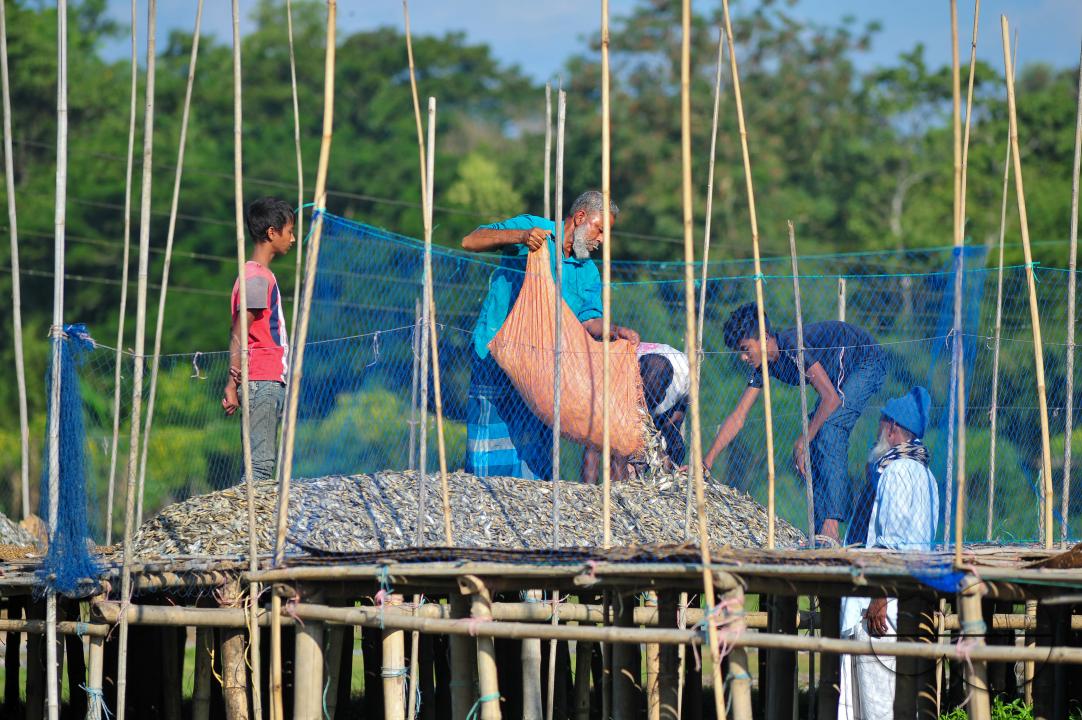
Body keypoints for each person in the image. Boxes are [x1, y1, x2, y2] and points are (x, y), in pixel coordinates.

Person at [460, 190, 639, 480]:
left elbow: (589, 320)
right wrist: (521, 237)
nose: (602, 240)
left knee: (535, 462)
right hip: (495, 355)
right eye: (600, 230)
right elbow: (471, 240)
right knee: (489, 457)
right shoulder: (536, 232)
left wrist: (615, 331)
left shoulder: (587, 271)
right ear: (580, 217)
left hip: (542, 373)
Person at [702, 303, 886, 542]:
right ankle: (822, 534)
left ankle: (830, 529)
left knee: (830, 429)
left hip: (865, 360)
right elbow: (739, 415)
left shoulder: (792, 346)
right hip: (841, 376)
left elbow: (830, 399)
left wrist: (802, 439)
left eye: (746, 349)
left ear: (764, 337)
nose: (743, 357)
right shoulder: (764, 365)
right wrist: (707, 461)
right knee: (818, 438)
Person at [838, 386, 939, 720]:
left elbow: (892, 544)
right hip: (909, 596)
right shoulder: (926, 475)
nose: (878, 430)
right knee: (895, 698)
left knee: (877, 701)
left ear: (893, 429)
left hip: (886, 602)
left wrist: (880, 595)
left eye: (882, 423)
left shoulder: (895, 472)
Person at [221, 197, 295, 481]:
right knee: (260, 469)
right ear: (271, 233)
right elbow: (240, 329)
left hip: (262, 379)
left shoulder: (256, 275)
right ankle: (241, 522)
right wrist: (232, 380)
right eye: (288, 231)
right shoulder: (257, 278)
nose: (293, 238)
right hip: (262, 379)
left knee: (259, 466)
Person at [582, 341, 689, 482]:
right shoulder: (619, 373)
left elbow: (680, 410)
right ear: (638, 383)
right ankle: (592, 489)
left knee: (676, 444)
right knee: (599, 441)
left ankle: (661, 483)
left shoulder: (684, 377)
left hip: (661, 407)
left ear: (665, 392)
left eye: (652, 400)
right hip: (620, 397)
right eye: (645, 397)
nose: (647, 403)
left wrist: (662, 438)